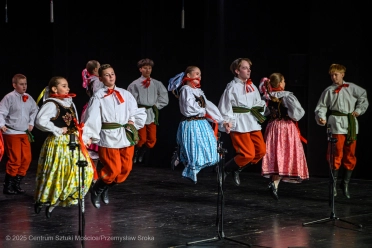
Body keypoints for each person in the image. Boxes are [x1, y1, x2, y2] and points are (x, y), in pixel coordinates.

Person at [82, 64, 146, 209]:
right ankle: (97, 189)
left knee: (125, 169)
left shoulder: (125, 94)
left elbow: (135, 111)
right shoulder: (98, 96)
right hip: (109, 136)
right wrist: (89, 136)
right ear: (101, 78)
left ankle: (106, 188)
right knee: (113, 169)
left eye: (112, 74)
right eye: (107, 75)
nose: (110, 77)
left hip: (124, 136)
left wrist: (132, 121)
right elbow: (92, 117)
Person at [34, 76, 95, 218]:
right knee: (58, 173)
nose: (68, 89)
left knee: (84, 171)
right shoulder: (51, 104)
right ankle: (46, 201)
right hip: (59, 143)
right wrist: (57, 129)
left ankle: (58, 200)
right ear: (54, 89)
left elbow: (76, 124)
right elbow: (40, 121)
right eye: (64, 86)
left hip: (73, 141)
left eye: (67, 86)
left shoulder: (69, 103)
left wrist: (84, 138)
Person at [315, 63, 369, 199]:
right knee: (336, 153)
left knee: (350, 153)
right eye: (331, 75)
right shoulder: (328, 90)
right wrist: (321, 117)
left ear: (342, 74)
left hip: (350, 123)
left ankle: (345, 184)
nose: (333, 77)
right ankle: (333, 185)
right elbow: (321, 106)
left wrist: (358, 110)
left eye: (336, 74)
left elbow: (363, 96)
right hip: (336, 124)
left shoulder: (351, 87)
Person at [168, 66, 226, 183]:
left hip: (202, 123)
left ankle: (187, 161)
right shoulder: (185, 90)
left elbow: (208, 106)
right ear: (188, 76)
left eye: (200, 74)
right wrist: (202, 110)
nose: (199, 77)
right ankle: (191, 170)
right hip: (191, 123)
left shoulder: (198, 92)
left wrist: (221, 120)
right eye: (196, 74)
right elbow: (189, 108)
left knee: (211, 150)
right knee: (194, 150)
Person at [259, 73, 309, 200]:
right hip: (285, 128)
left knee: (276, 155)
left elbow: (263, 113)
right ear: (280, 83)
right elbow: (298, 114)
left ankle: (274, 183)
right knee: (285, 154)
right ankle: (274, 183)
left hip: (272, 127)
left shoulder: (267, 96)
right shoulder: (286, 95)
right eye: (284, 80)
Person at [218, 58, 266, 186]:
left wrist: (259, 110)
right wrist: (226, 121)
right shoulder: (232, 87)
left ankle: (236, 168)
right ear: (237, 71)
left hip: (251, 121)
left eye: (249, 67)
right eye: (245, 67)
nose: (248, 70)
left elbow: (258, 102)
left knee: (261, 151)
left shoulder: (252, 86)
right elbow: (225, 105)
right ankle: (226, 169)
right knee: (247, 154)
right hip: (239, 123)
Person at [0, 74, 38, 195]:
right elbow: (1, 112)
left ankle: (17, 183)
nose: (24, 86)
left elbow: (34, 110)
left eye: (25, 84)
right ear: (14, 85)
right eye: (21, 84)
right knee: (15, 159)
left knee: (26, 159)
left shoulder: (28, 97)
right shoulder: (9, 97)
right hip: (11, 132)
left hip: (23, 132)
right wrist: (1, 125)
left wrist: (31, 123)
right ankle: (8, 185)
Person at [127, 58, 169, 164]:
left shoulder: (157, 83)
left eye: (149, 68)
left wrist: (156, 106)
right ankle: (137, 151)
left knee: (152, 139)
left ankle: (143, 151)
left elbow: (164, 98)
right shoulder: (134, 84)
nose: (148, 70)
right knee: (141, 138)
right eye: (145, 68)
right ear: (140, 69)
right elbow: (129, 99)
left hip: (151, 113)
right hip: (140, 112)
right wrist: (134, 111)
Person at [81, 60, 104, 177]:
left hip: (90, 107)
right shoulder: (96, 81)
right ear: (95, 70)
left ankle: (93, 173)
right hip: (94, 108)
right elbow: (97, 95)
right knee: (93, 138)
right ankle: (92, 174)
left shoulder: (91, 80)